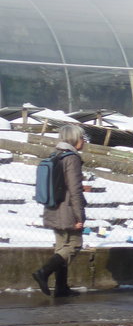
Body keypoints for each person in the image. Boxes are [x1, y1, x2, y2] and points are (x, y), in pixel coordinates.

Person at [32, 124, 88, 298]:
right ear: (74, 140)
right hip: (68, 210)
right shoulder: (72, 159)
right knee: (74, 245)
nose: (84, 141)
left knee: (61, 247)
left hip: (53, 207)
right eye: (82, 137)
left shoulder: (56, 155)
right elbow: (75, 189)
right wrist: (80, 216)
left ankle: (61, 288)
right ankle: (43, 272)